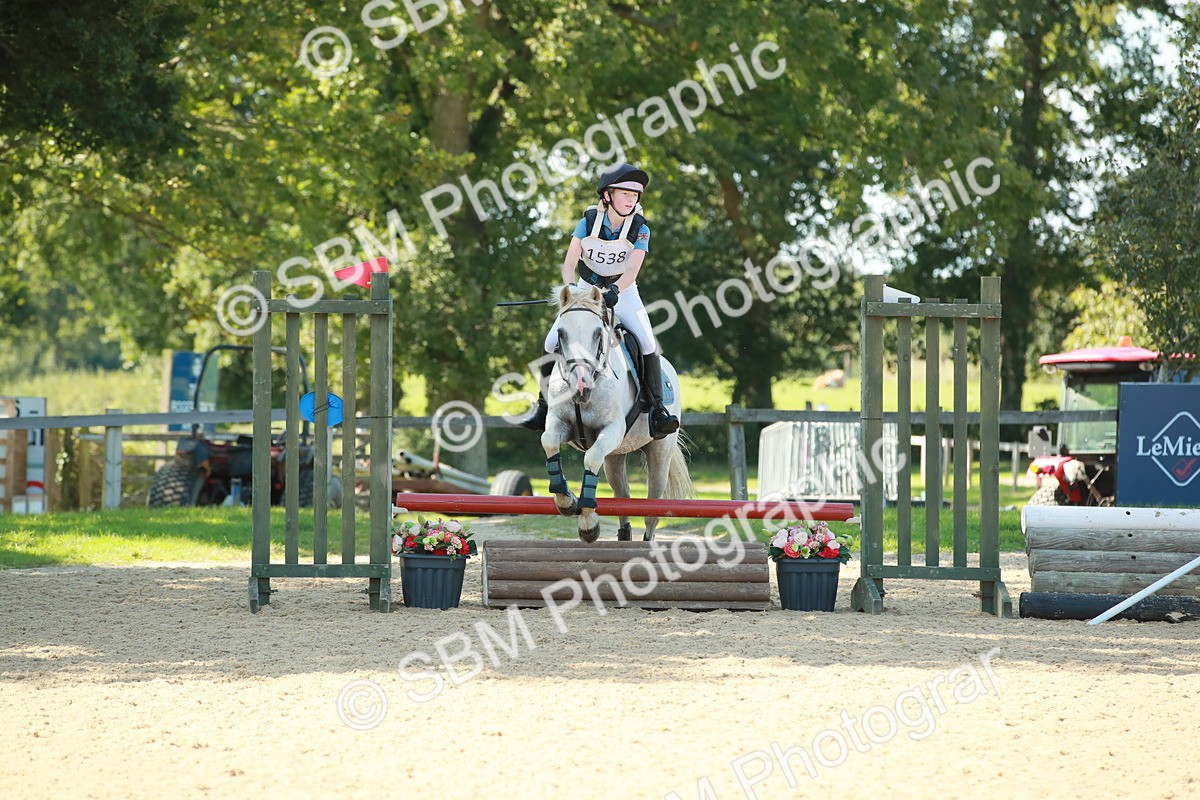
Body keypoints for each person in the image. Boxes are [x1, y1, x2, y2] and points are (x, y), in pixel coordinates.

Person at [519, 163, 680, 439]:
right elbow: (570, 263)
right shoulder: (588, 222)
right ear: (607, 195)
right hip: (585, 289)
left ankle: (656, 411)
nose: (631, 200)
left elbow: (632, 269)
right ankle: (544, 406)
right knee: (549, 341)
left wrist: (616, 289)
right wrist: (570, 290)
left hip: (624, 292)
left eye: (635, 196)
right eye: (625, 194)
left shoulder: (641, 228)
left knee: (647, 341)